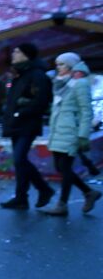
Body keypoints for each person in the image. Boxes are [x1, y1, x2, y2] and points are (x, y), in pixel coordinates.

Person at [41, 52, 101, 216]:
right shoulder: (61, 83)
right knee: (61, 167)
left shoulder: (79, 83)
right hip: (58, 131)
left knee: (65, 167)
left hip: (70, 131)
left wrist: (82, 135)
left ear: (70, 66)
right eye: (57, 64)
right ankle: (89, 192)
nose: (58, 67)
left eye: (61, 64)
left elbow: (86, 111)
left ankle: (62, 204)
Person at [0, 43, 54, 209]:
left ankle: (43, 189)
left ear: (26, 55)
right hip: (17, 124)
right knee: (19, 161)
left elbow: (42, 100)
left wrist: (20, 113)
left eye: (17, 51)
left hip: (27, 124)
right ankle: (21, 197)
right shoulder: (19, 73)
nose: (14, 54)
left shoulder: (37, 75)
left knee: (19, 158)